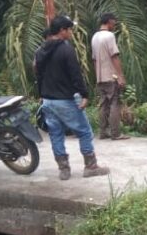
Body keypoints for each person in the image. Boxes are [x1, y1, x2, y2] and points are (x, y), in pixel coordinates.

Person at [35, 16, 110, 180]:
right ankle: (90, 166)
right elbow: (75, 74)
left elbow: (39, 76)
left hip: (48, 100)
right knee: (84, 131)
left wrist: (41, 94)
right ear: (62, 31)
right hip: (65, 99)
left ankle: (64, 169)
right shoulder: (65, 49)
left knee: (56, 134)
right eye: (69, 29)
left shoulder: (40, 51)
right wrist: (84, 94)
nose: (71, 32)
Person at [91, 13, 129, 140]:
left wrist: (97, 75)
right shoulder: (109, 36)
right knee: (114, 103)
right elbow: (114, 56)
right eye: (114, 22)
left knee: (103, 104)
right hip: (111, 76)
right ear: (109, 21)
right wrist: (120, 76)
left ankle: (103, 132)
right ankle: (115, 133)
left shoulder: (95, 37)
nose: (115, 24)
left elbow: (94, 59)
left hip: (100, 77)